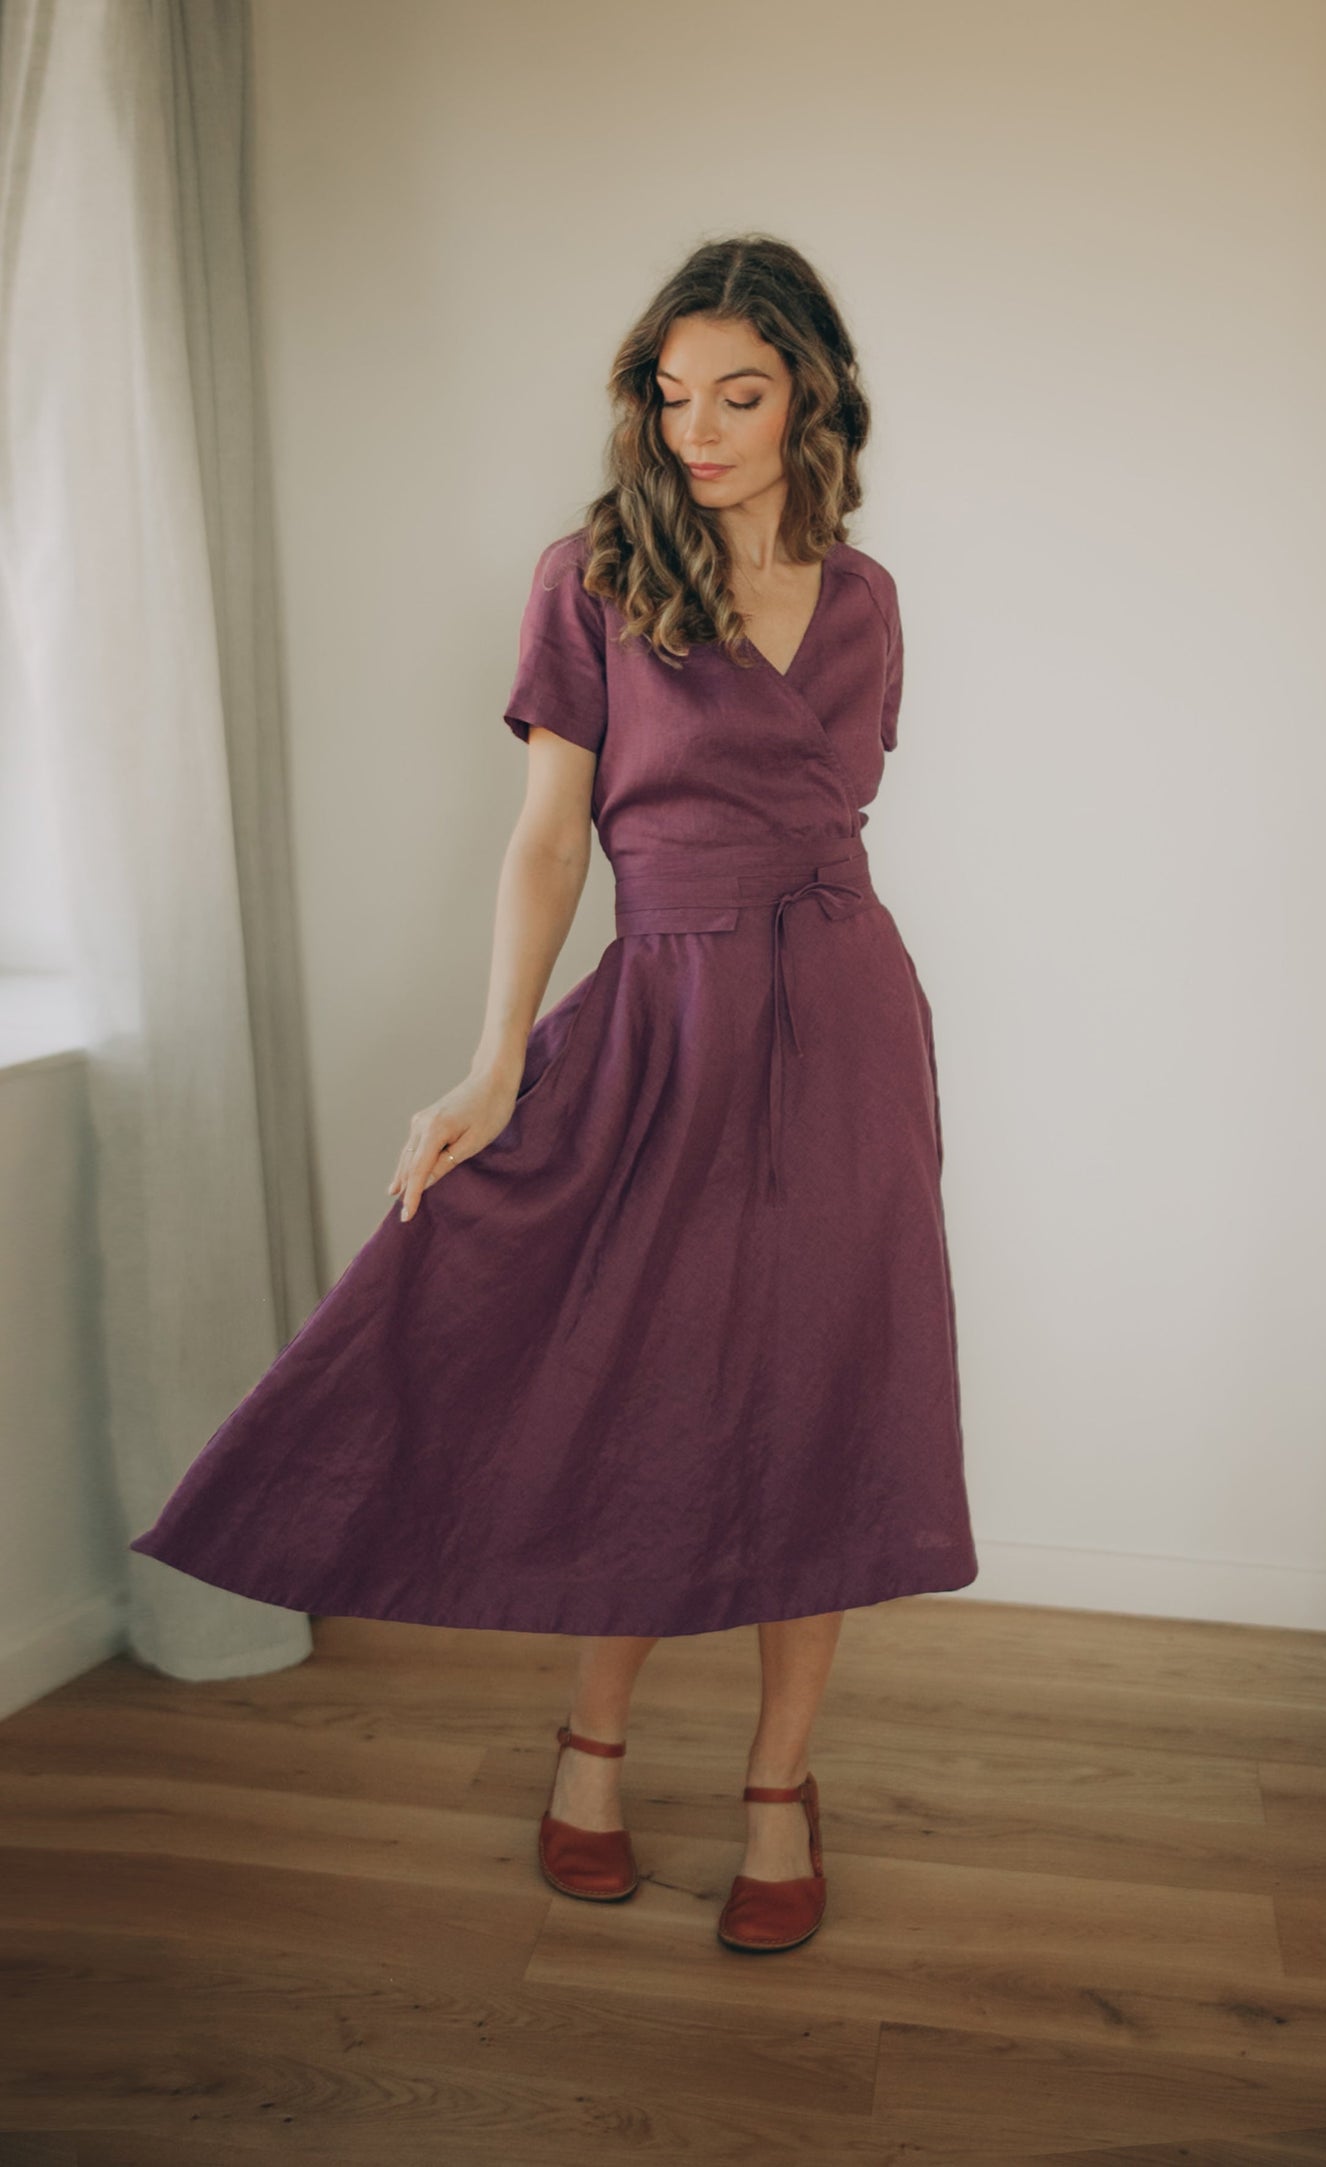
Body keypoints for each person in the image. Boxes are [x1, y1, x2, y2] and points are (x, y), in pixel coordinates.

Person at [131, 232, 979, 1953]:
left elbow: (840, 816)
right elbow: (545, 836)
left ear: (808, 392)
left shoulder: (868, 599)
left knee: (822, 1398)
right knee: (649, 1387)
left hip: (846, 1018)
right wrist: (497, 1058)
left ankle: (776, 1784)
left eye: (738, 394)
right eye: (672, 396)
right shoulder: (590, 574)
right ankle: (590, 1751)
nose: (700, 429)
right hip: (665, 1005)